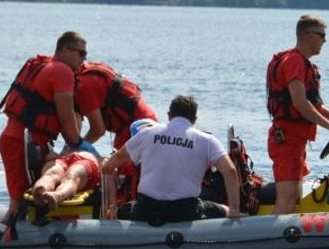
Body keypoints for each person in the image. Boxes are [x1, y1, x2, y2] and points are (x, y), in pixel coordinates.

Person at [101, 95, 243, 224]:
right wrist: (234, 210)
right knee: (225, 209)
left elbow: (110, 165)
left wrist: (112, 205)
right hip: (185, 210)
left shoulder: (147, 133)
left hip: (146, 209)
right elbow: (230, 171)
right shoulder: (207, 140)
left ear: (169, 115)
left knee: (124, 210)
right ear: (194, 120)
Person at [265, 14, 329, 214]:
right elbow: (300, 103)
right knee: (287, 203)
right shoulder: (294, 61)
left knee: (293, 202)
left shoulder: (303, 63)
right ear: (308, 36)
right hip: (286, 141)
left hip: (295, 141)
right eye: (322, 35)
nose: (325, 40)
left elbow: (313, 106)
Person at [0, 32, 87, 223]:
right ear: (63, 50)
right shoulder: (62, 71)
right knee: (20, 202)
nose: (83, 59)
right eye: (80, 53)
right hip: (23, 142)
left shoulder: (45, 66)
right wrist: (79, 145)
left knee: (33, 197)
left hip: (24, 140)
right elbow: (65, 116)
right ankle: (3, 239)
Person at [75, 57, 158, 149]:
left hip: (136, 127)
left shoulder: (84, 84)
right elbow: (76, 118)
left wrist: (76, 148)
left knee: (120, 161)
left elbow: (98, 130)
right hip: (146, 119)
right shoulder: (88, 70)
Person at [30, 146, 103, 208]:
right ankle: (41, 189)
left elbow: (106, 166)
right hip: (63, 159)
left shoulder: (73, 141)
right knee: (51, 174)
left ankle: (58, 195)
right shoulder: (70, 142)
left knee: (73, 175)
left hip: (87, 160)